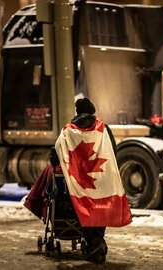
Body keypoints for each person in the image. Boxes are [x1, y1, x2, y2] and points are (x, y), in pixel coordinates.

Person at [55, 98, 132, 264]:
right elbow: (113, 150)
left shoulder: (68, 130)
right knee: (99, 210)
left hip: (79, 183)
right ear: (92, 111)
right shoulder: (103, 129)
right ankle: (96, 242)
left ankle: (94, 244)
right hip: (101, 178)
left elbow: (56, 152)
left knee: (85, 210)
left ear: (77, 112)